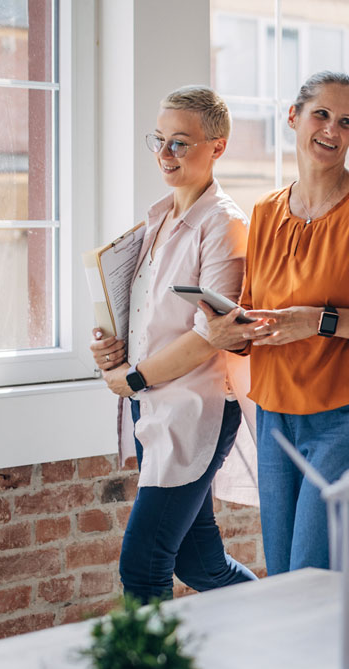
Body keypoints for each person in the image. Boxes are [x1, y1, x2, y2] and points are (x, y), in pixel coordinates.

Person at [204, 72, 349, 575]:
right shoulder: (265, 213)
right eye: (321, 114)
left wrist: (321, 321)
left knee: (313, 577)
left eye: (346, 122)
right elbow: (259, 311)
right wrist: (232, 329)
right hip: (276, 416)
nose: (331, 129)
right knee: (286, 581)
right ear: (294, 118)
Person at [90, 85, 257, 602]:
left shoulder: (223, 223)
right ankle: (271, 627)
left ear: (217, 146)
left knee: (143, 568)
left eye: (180, 143)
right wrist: (111, 350)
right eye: (159, 140)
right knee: (200, 561)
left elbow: (212, 335)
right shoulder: (158, 217)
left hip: (194, 409)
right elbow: (146, 316)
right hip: (149, 408)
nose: (164, 155)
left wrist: (135, 376)